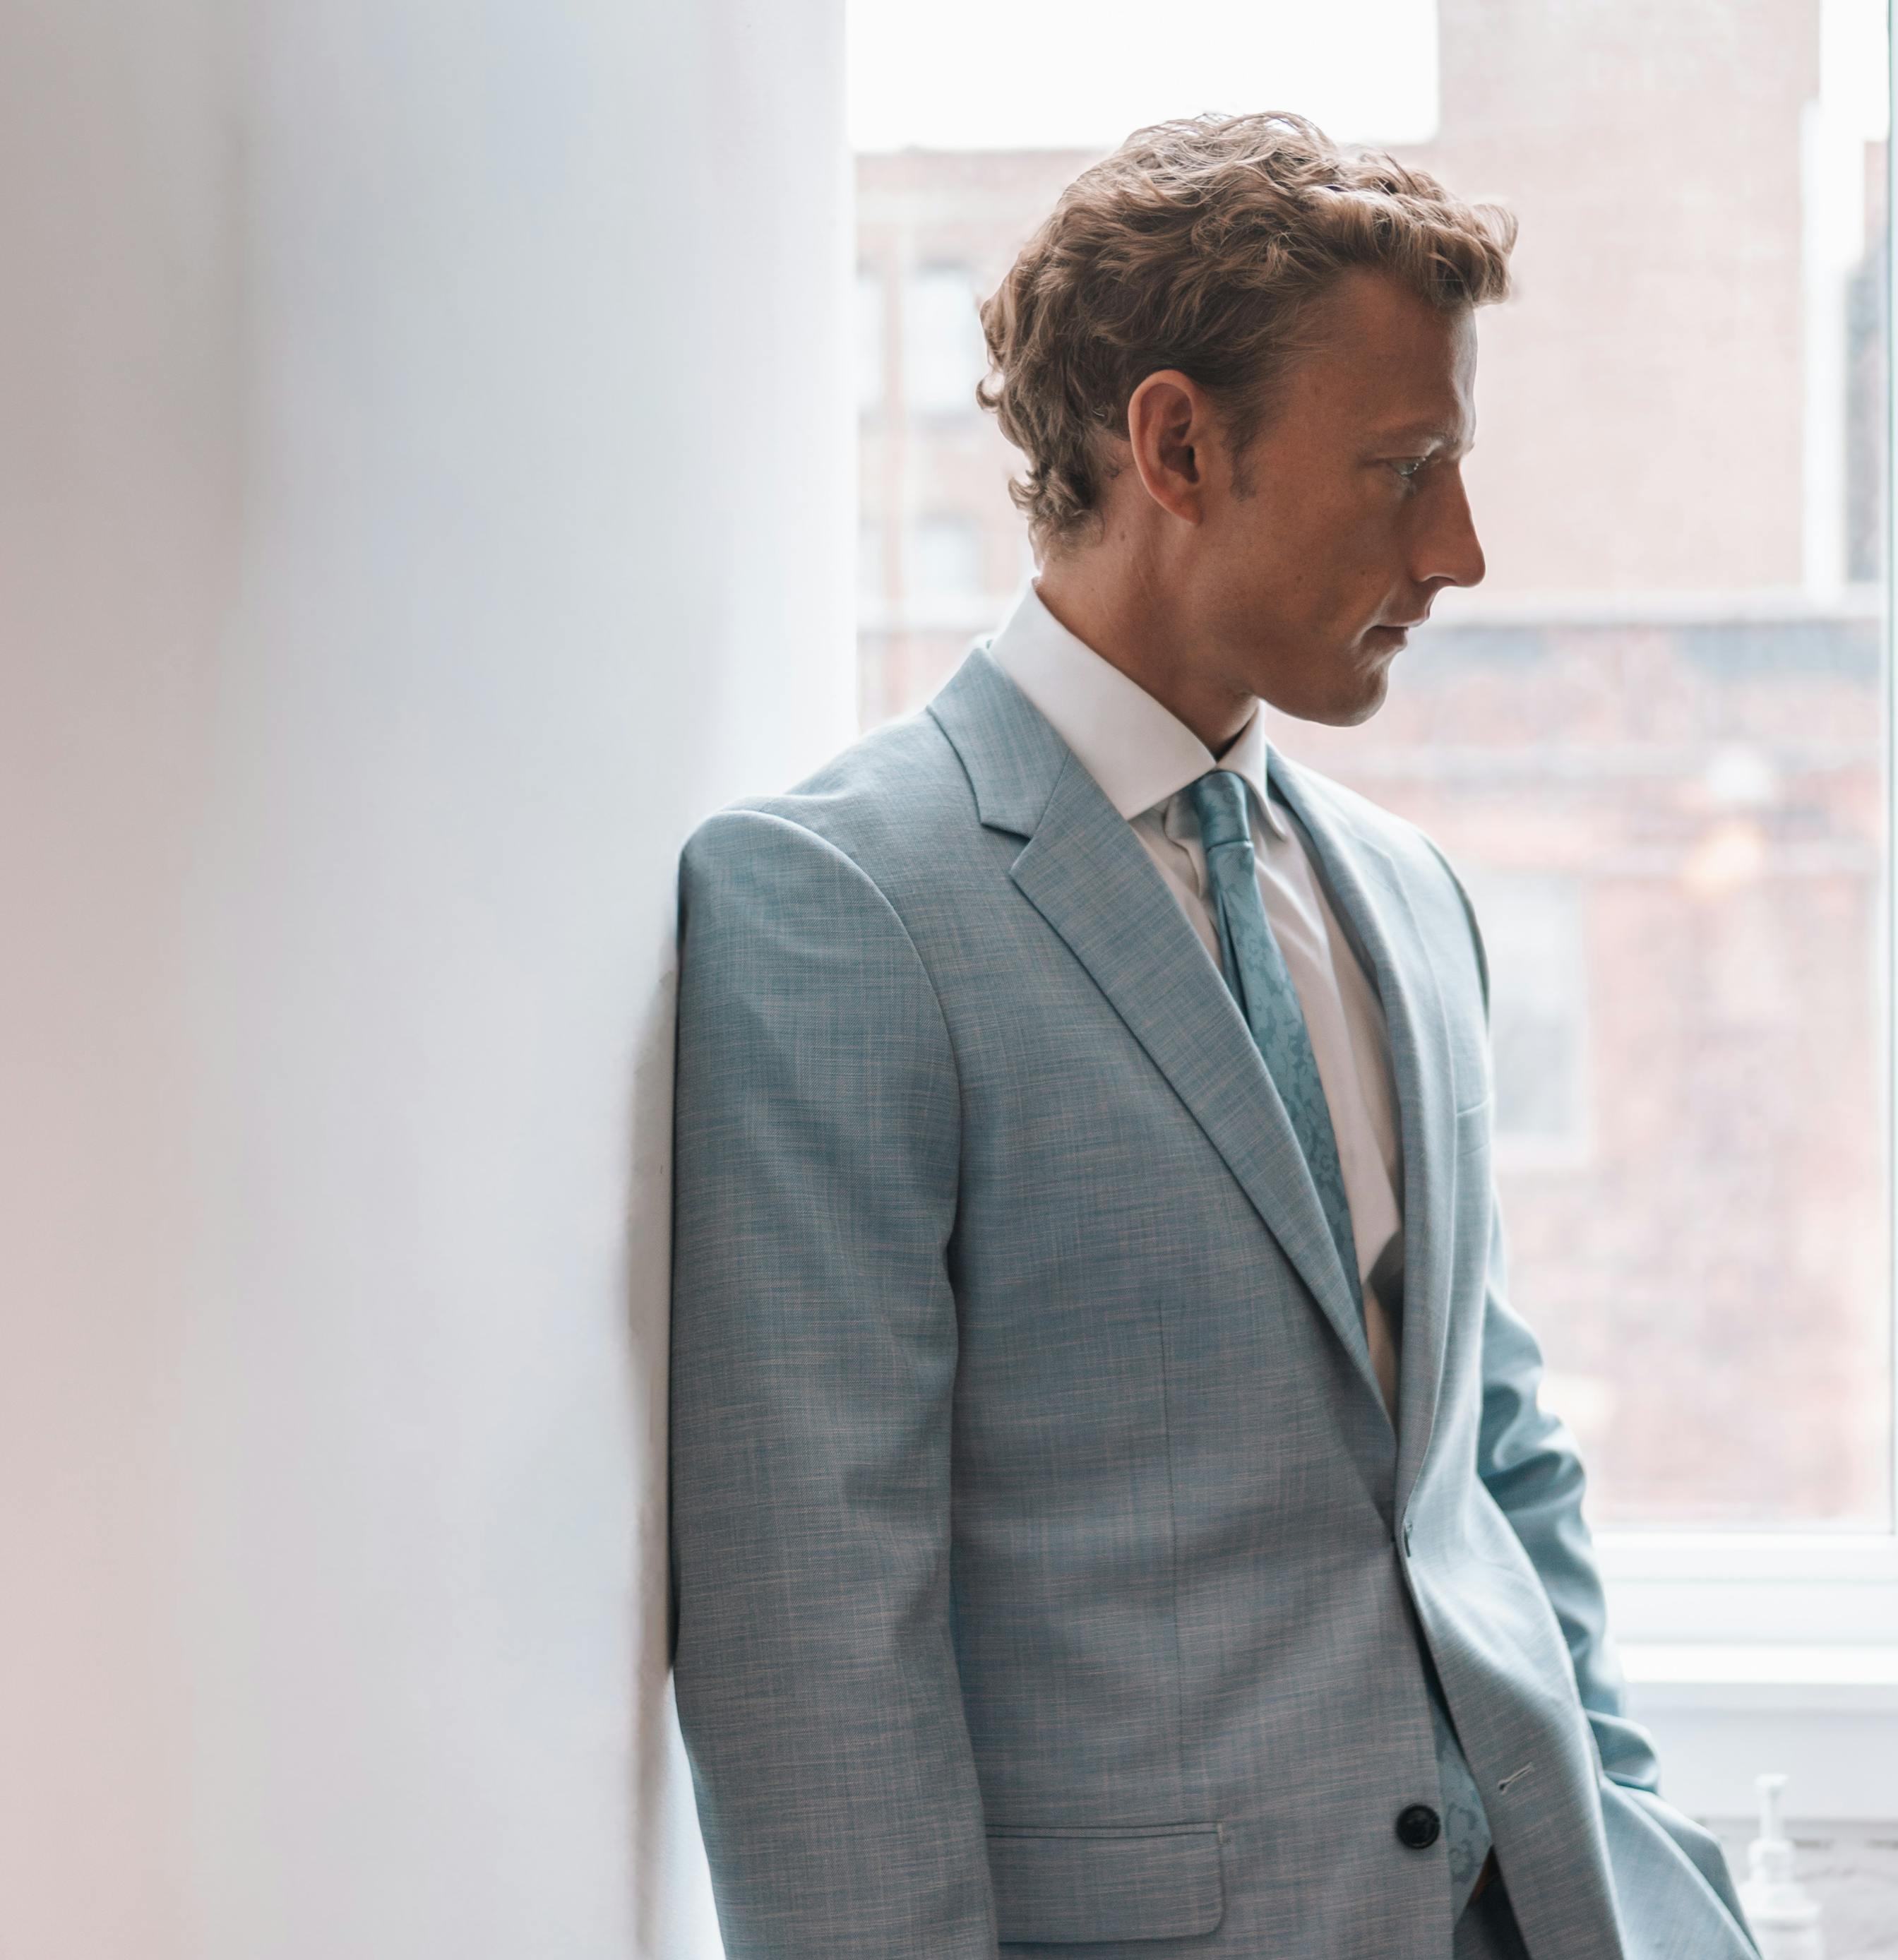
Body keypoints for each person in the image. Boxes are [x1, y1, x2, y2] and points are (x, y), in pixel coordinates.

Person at [669, 111, 1757, 1960]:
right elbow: (815, 1639)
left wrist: (1639, 1841)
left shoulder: (1409, 896)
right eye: (1402, 469)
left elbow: (1491, 1452)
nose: (1460, 550)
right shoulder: (841, 908)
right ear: (1176, 446)